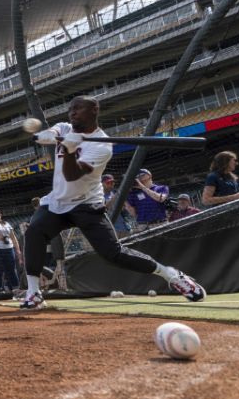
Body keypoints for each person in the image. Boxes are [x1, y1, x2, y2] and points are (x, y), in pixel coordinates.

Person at [20, 96, 207, 311]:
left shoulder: (102, 146)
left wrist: (70, 149)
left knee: (113, 254)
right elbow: (55, 131)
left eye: (78, 108)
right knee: (34, 232)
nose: (72, 113)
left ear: (94, 110)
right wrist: (51, 135)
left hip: (87, 205)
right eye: (70, 109)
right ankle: (33, 292)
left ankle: (171, 275)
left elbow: (72, 176)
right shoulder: (65, 127)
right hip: (57, 202)